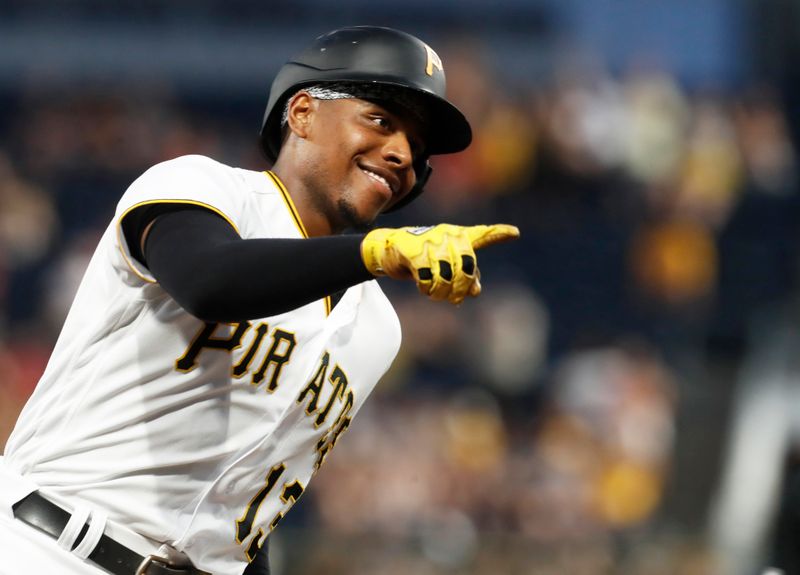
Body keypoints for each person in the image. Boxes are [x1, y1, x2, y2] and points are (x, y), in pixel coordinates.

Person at [0, 25, 519, 575]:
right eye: (381, 121)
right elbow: (209, 281)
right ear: (301, 113)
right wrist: (374, 252)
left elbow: (250, 507)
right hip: (47, 543)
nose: (400, 154)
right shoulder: (204, 186)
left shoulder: (376, 327)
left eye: (416, 149)